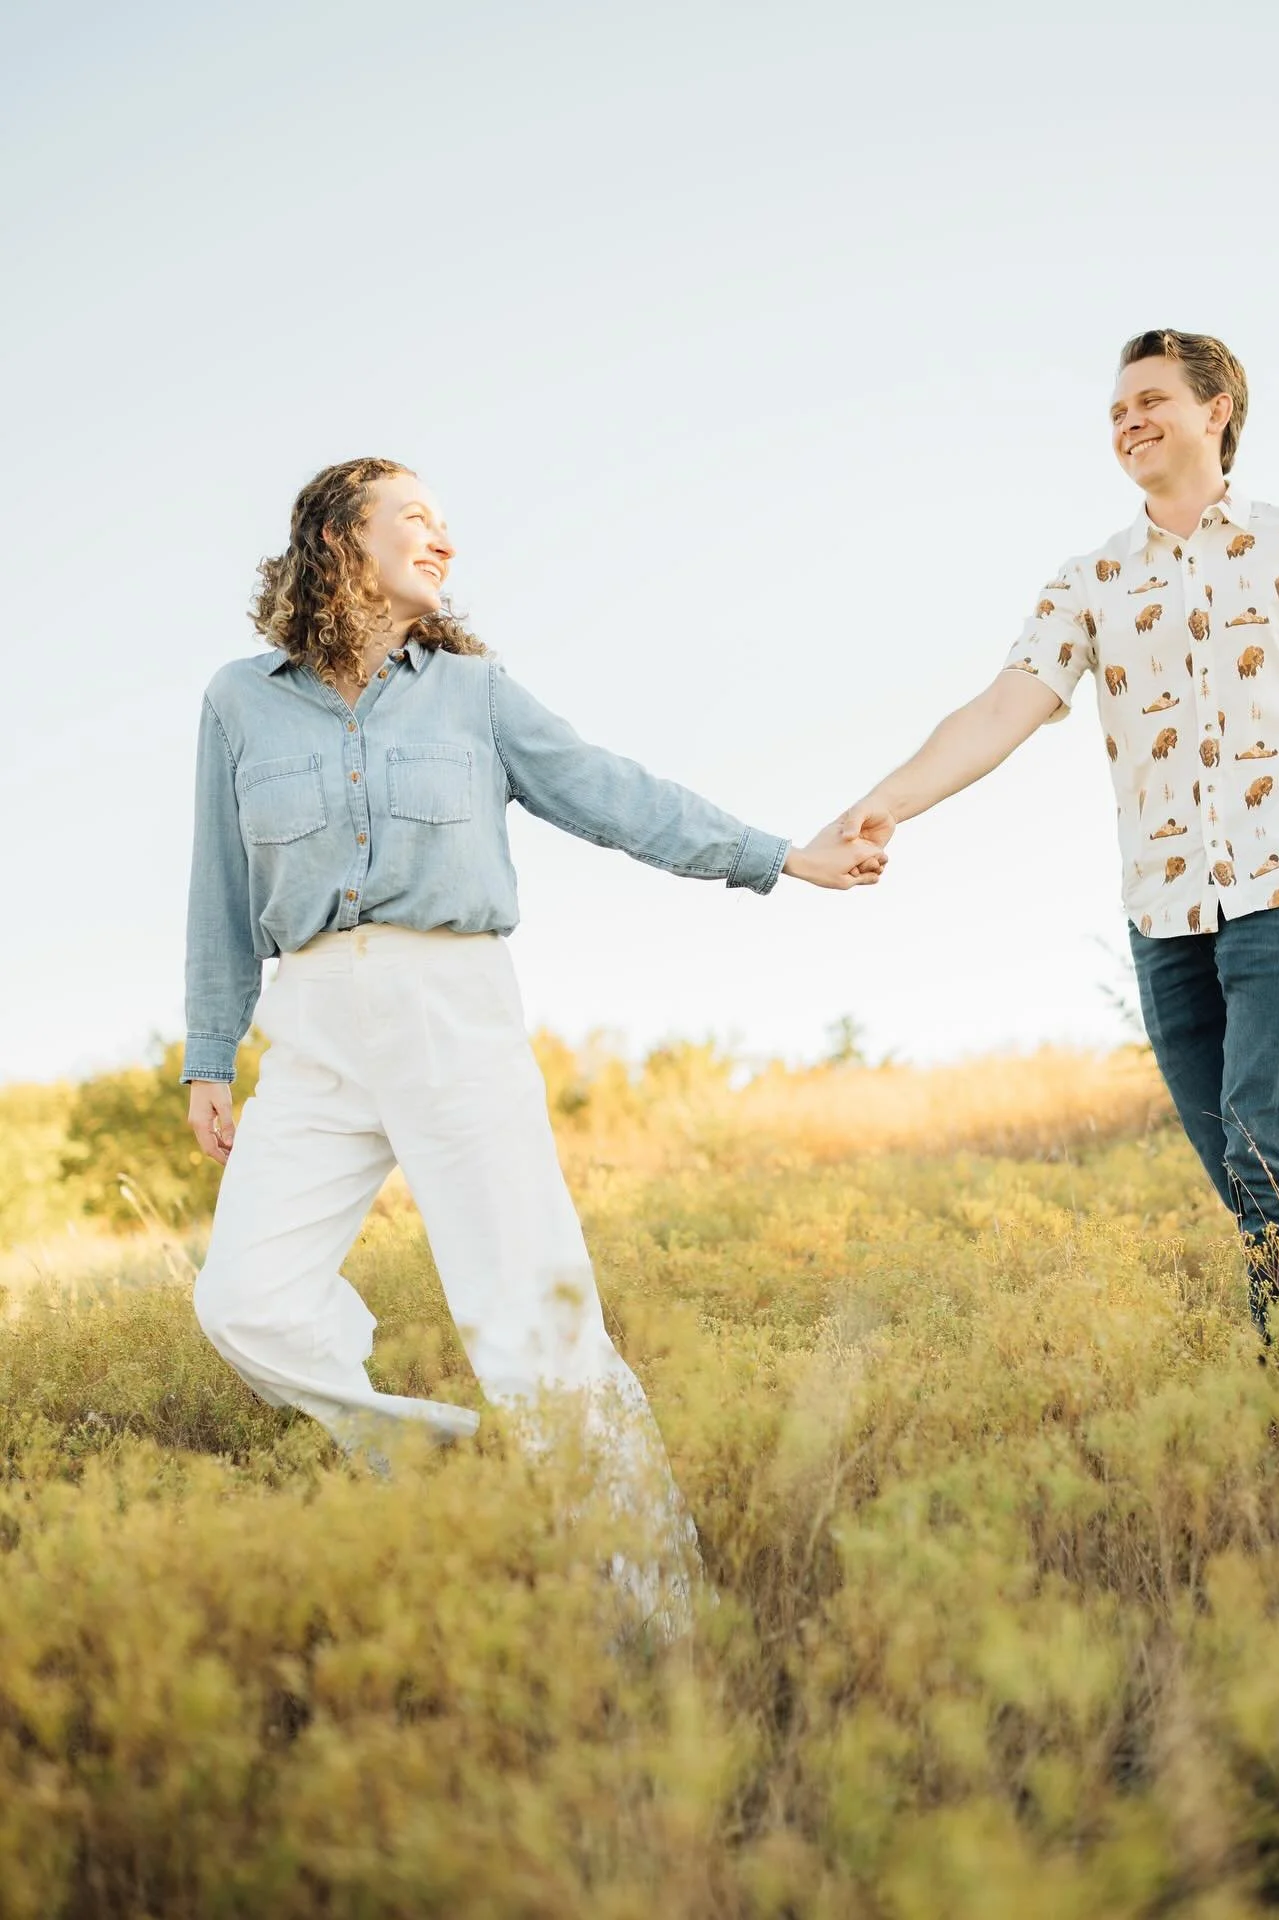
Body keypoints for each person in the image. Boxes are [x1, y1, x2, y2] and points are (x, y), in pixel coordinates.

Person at [182, 456, 886, 1623]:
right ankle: (452, 1465)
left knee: (534, 1326)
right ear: (336, 540)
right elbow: (216, 888)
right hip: (310, 1029)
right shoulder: (238, 701)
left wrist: (780, 856)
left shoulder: (474, 692)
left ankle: (659, 1619)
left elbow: (616, 794)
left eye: (447, 525)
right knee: (244, 1300)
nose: (443, 540)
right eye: (415, 518)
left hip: (451, 1011)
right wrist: (211, 1053)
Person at [831, 329, 1279, 1333]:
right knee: (1250, 1171)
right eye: (1115, 411)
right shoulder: (1089, 581)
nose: (1128, 422)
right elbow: (998, 710)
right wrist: (891, 799)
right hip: (1167, 914)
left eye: (1150, 400)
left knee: (1266, 1145)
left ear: (1215, 412)